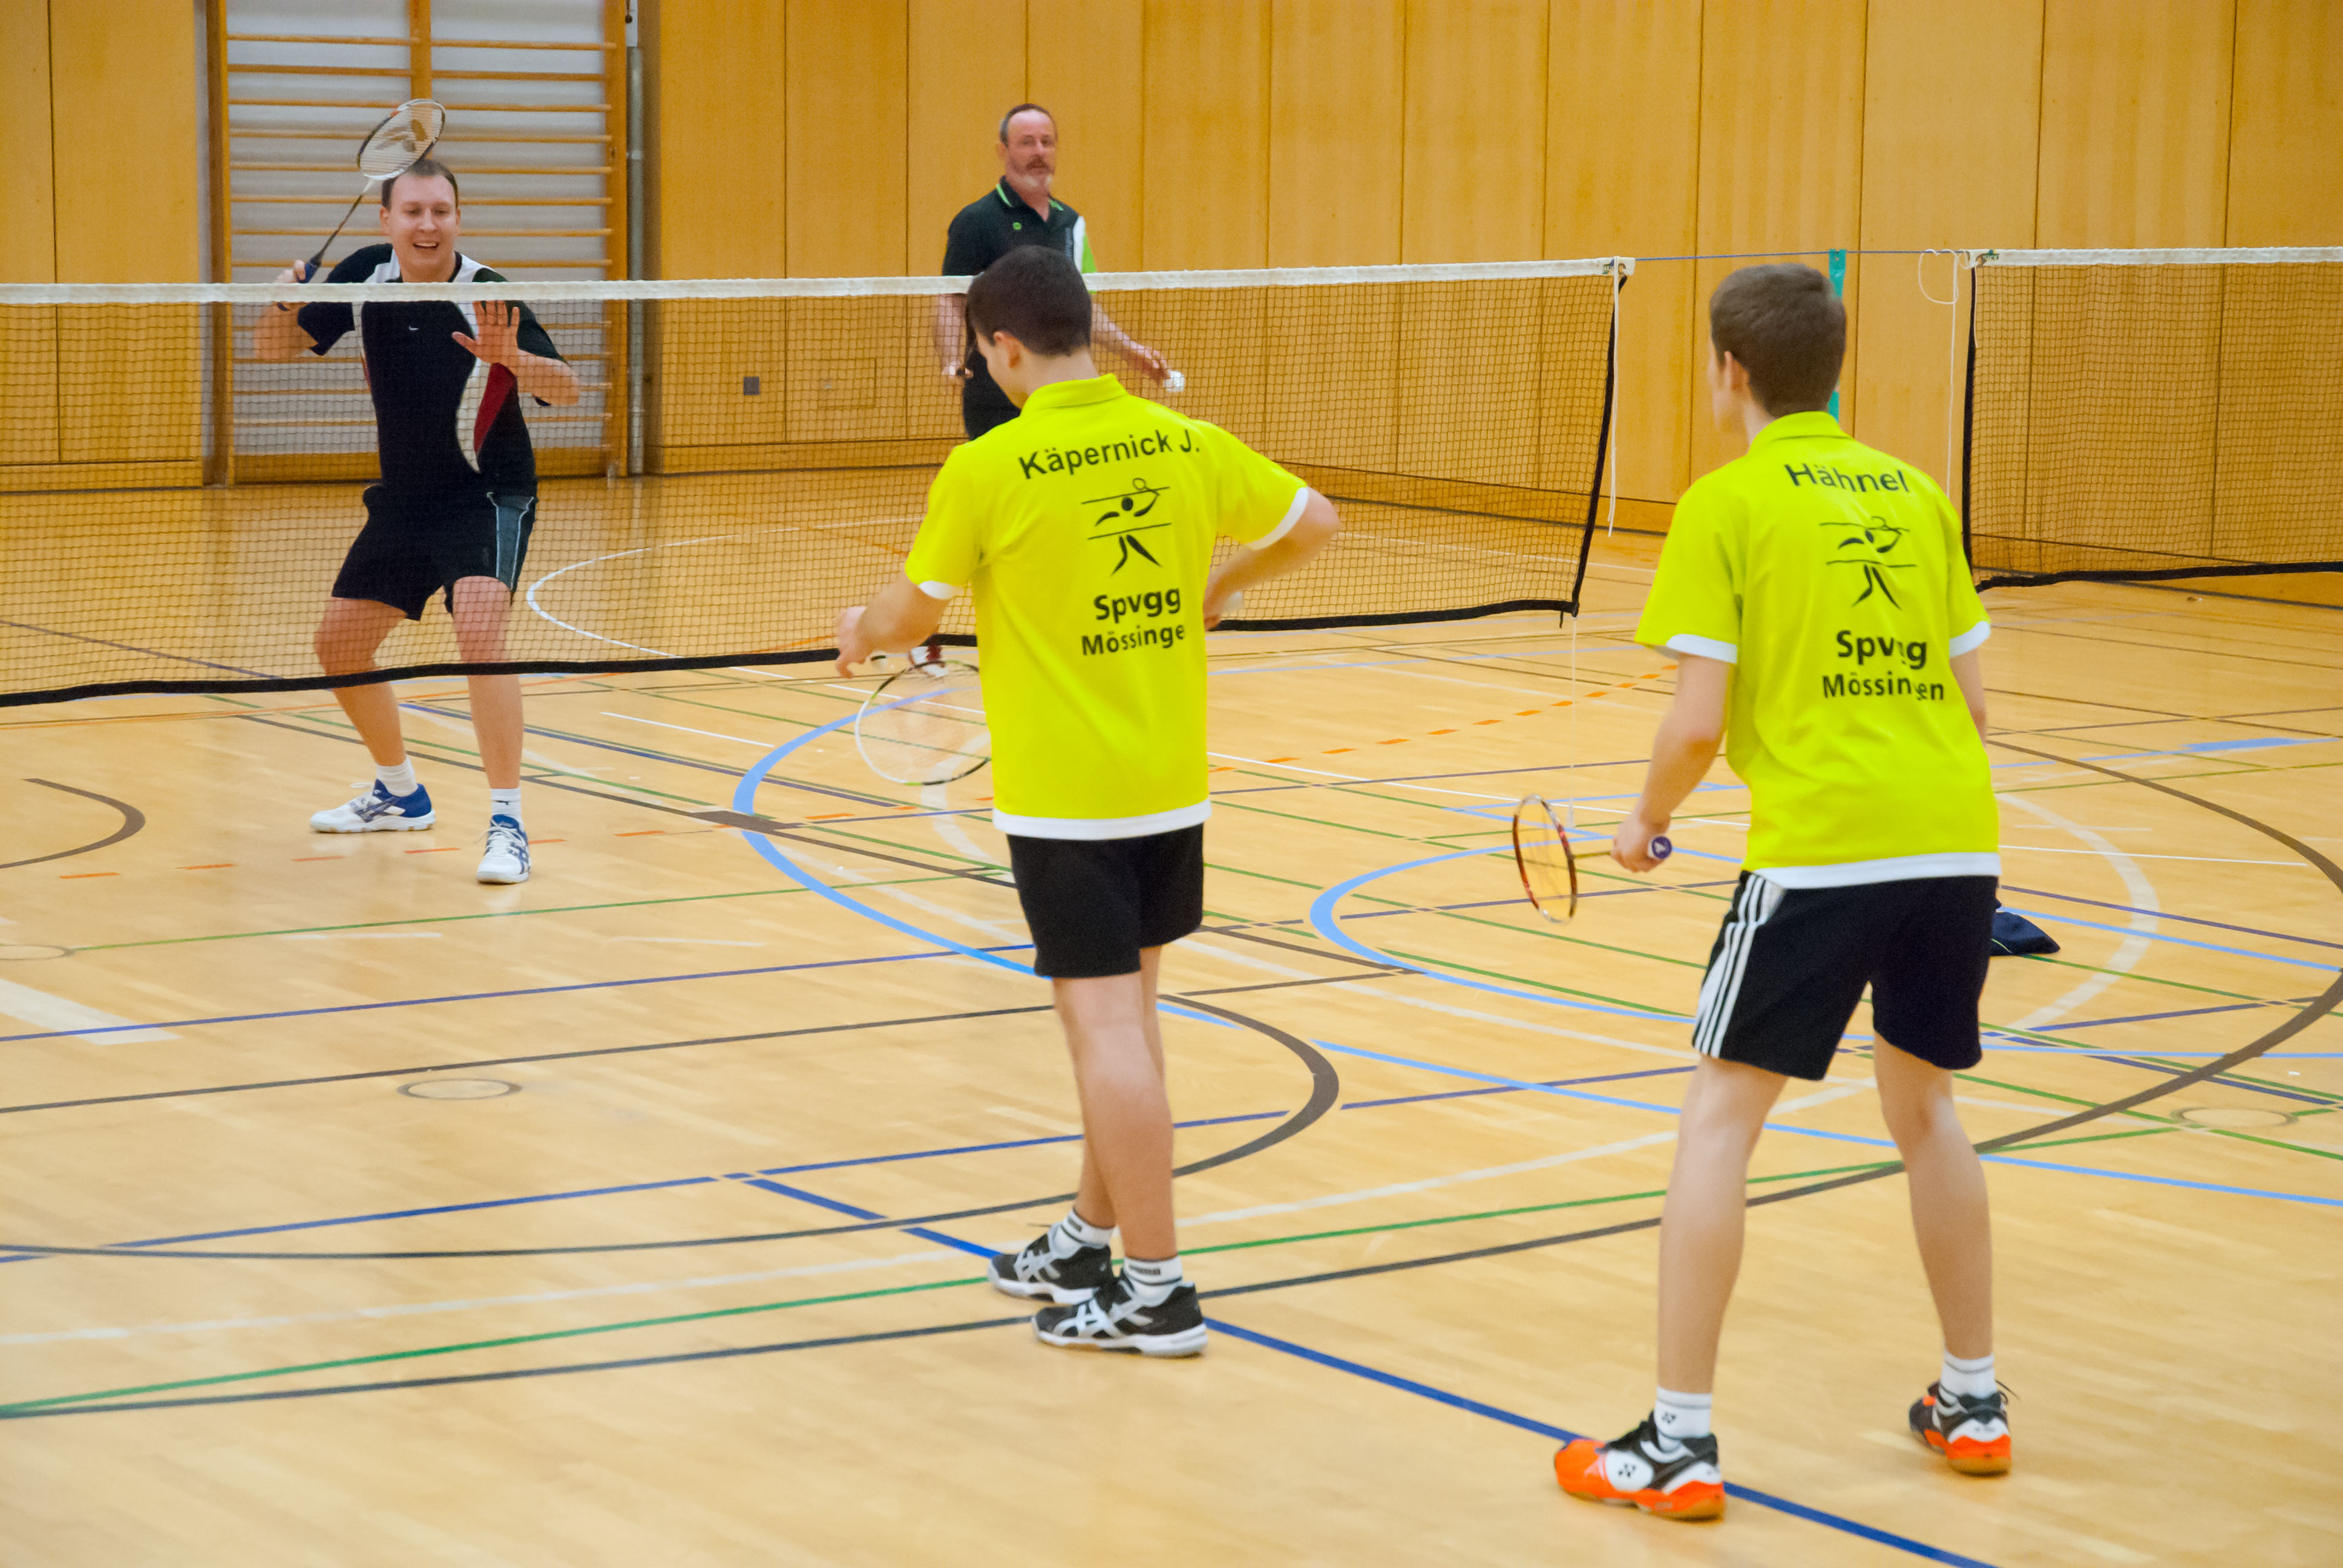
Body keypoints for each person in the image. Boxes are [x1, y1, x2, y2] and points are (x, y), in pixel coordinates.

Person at [1555, 264, 2009, 1521]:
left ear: (1729, 371)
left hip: (1821, 849)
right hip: (1954, 839)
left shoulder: (1726, 503)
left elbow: (1697, 722)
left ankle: (1676, 1442)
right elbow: (1973, 704)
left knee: (1718, 1118)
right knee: (1926, 1108)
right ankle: (1973, 1401)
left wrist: (1645, 820)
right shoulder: (1914, 493)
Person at [837, 246, 1337, 1354]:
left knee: (1104, 1032)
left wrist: (858, 632)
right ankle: (1088, 1236)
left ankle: (1155, 1288)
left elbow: (913, 615)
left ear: (1004, 347)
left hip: (1068, 802)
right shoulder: (1185, 442)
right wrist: (1223, 583)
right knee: (1131, 1023)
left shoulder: (990, 467)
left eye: (983, 355)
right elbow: (1315, 521)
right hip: (1169, 786)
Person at [255, 157, 580, 885]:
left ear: (457, 218)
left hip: (486, 494)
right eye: (413, 212)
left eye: (440, 211)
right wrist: (279, 305)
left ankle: (507, 822)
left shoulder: (488, 292)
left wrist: (513, 356)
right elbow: (272, 349)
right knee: (339, 646)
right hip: (405, 499)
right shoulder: (365, 276)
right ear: (387, 220)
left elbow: (568, 392)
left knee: (480, 635)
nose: (427, 225)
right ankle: (400, 793)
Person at [934, 103, 1171, 440]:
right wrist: (949, 361)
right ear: (1003, 150)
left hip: (1065, 393)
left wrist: (1130, 350)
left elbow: (1082, 306)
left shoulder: (1071, 223)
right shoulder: (976, 220)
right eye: (1026, 142)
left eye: (1047, 142)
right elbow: (951, 297)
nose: (1039, 151)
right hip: (998, 393)